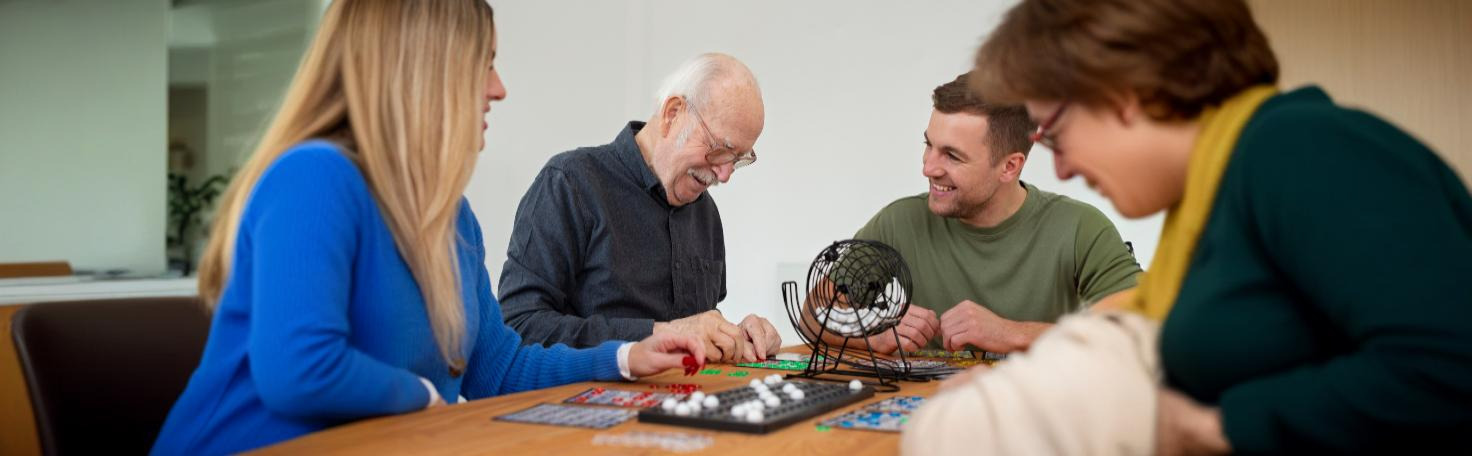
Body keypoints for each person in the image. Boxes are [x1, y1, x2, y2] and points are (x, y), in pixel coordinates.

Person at [905, 0, 1472, 454]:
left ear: (1122, 91)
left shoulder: (1301, 149)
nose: (1062, 167)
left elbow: (1448, 366)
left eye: (1053, 134)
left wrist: (1209, 430)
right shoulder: (1211, 200)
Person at [151, 2, 703, 454]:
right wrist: (423, 396)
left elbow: (499, 368)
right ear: (421, 73)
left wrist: (625, 357)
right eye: (483, 63)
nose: (499, 88)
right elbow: (300, 370)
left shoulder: (451, 216)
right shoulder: (314, 177)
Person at [809, 73, 1140, 356]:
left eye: (952, 155)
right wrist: (871, 333)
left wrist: (1010, 334)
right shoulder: (898, 223)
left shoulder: (1080, 228)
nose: (928, 167)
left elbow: (1142, 334)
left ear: (1009, 167)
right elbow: (813, 315)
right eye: (929, 145)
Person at [499, 53, 782, 363]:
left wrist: (733, 336)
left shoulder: (706, 213)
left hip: (686, 403)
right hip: (589, 405)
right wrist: (657, 334)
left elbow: (693, 329)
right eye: (720, 150)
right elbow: (518, 326)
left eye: (738, 159)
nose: (724, 175)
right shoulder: (570, 183)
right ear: (673, 113)